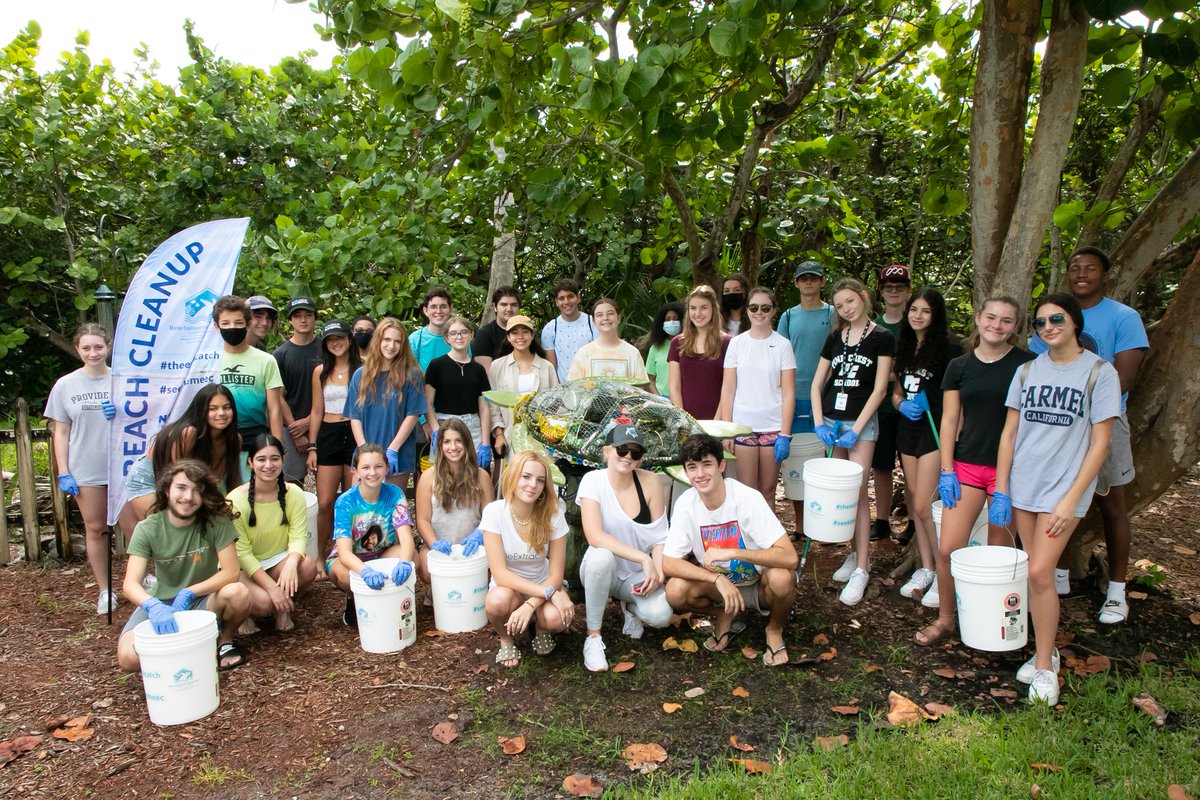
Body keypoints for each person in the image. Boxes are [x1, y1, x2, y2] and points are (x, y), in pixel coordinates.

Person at [994, 293, 1120, 706]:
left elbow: (1100, 443)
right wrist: (1002, 486)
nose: (1049, 327)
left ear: (1075, 322)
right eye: (1042, 322)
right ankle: (1044, 651)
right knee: (1036, 573)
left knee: (1039, 573)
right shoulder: (1028, 371)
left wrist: (1071, 499)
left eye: (1057, 319)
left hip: (1063, 488)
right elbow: (1010, 433)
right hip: (1023, 485)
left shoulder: (1099, 373)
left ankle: (1047, 667)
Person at [1029, 246, 1148, 625]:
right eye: (1075, 268)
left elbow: (1124, 376)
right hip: (1053, 424)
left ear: (1105, 274)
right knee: (1052, 496)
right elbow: (1040, 370)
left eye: (1091, 268)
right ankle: (1058, 574)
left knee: (1111, 503)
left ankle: (1116, 590)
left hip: (1103, 425)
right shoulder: (1049, 318)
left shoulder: (1122, 316)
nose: (1082, 274)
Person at [920, 295, 1034, 645]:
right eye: (991, 317)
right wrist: (946, 469)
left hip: (1009, 472)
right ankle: (946, 618)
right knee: (948, 549)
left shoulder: (1028, 364)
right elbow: (950, 419)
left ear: (1016, 326)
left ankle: (996, 625)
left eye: (1006, 320)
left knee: (998, 555)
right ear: (978, 318)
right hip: (966, 467)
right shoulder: (960, 365)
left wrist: (1004, 485)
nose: (997, 326)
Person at [662, 434, 798, 666]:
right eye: (692, 467)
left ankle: (774, 629)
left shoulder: (747, 499)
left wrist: (734, 552)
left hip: (759, 586)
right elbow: (668, 562)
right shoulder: (686, 504)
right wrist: (716, 579)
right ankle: (724, 613)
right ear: (686, 472)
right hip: (719, 589)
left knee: (782, 578)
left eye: (707, 464)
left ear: (722, 465)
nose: (700, 474)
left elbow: (789, 557)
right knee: (675, 590)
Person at [116, 459, 251, 673]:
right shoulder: (148, 528)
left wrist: (189, 591)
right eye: (181, 488)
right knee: (128, 658)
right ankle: (184, 654)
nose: (188, 497)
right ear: (167, 490)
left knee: (238, 593)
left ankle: (223, 642)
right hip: (162, 604)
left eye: (196, 490)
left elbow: (231, 572)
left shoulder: (216, 522)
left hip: (203, 599)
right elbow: (130, 583)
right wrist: (152, 605)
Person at [811, 277, 895, 606]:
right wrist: (819, 423)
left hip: (861, 423)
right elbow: (817, 384)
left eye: (851, 301)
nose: (847, 309)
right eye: (840, 305)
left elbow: (879, 390)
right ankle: (854, 553)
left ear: (863, 297)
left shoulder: (882, 338)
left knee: (859, 492)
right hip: (831, 421)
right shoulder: (835, 338)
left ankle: (863, 566)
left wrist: (858, 428)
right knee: (838, 493)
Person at [578, 423, 671, 672]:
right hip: (600, 571)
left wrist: (658, 572)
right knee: (601, 557)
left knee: (661, 616)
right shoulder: (592, 481)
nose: (628, 456)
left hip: (635, 575)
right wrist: (643, 558)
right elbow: (594, 535)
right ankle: (593, 637)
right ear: (607, 451)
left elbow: (660, 537)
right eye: (622, 450)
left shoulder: (651, 482)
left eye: (635, 452)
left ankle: (629, 606)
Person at [46, 323, 118, 613]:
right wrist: (64, 471)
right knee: (96, 528)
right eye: (86, 347)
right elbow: (61, 432)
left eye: (98, 347)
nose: (93, 353)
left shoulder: (121, 379)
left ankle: (144, 577)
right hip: (86, 467)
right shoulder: (66, 385)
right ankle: (105, 589)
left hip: (120, 465)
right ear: (77, 349)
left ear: (108, 346)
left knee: (136, 526)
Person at [891, 288, 956, 603]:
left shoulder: (948, 350)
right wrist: (902, 404)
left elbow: (956, 399)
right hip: (908, 430)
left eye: (925, 311)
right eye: (913, 309)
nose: (918, 315)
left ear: (936, 315)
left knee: (925, 506)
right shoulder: (903, 347)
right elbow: (896, 392)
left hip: (934, 431)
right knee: (916, 500)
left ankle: (944, 572)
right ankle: (927, 568)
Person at [481, 450, 573, 668]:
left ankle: (540, 627)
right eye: (526, 476)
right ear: (513, 476)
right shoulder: (494, 512)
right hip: (509, 587)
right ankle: (506, 638)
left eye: (540, 480)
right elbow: (500, 573)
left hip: (543, 583)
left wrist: (531, 604)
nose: (533, 485)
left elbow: (556, 575)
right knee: (496, 602)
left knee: (555, 619)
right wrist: (549, 594)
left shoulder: (553, 513)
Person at [118, 383, 242, 539]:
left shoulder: (234, 440)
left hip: (185, 484)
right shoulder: (188, 433)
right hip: (152, 477)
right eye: (213, 409)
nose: (221, 413)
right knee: (166, 534)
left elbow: (226, 484)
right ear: (202, 410)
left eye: (226, 407)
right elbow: (175, 480)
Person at [228, 435, 318, 632]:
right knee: (263, 604)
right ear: (250, 462)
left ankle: (282, 609)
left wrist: (291, 563)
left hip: (275, 560)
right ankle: (243, 614)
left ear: (282, 460)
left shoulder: (293, 493)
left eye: (274, 458)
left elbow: (298, 536)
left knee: (308, 566)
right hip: (241, 568)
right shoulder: (236, 500)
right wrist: (272, 588)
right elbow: (241, 554)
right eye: (261, 459)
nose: (268, 465)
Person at [717, 287, 796, 505]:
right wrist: (727, 431)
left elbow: (789, 393)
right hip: (744, 427)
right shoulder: (736, 343)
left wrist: (785, 434)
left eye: (765, 307)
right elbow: (728, 389)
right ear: (747, 310)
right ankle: (748, 538)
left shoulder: (783, 345)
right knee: (747, 491)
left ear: (773, 311)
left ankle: (769, 540)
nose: (759, 312)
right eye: (753, 307)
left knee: (768, 490)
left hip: (773, 426)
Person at [328, 444, 417, 627]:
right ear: (355, 471)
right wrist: (365, 571)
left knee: (411, 556)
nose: (372, 473)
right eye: (365, 468)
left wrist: (404, 562)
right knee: (347, 575)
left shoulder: (394, 494)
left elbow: (406, 537)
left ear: (386, 468)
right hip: (351, 558)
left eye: (378, 466)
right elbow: (344, 553)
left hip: (381, 552)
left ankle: (393, 600)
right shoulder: (345, 502)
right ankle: (355, 599)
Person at [776, 261, 834, 534]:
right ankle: (800, 525)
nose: (808, 283)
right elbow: (779, 355)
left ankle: (824, 523)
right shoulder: (788, 316)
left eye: (814, 278)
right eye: (803, 279)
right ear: (796, 283)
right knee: (796, 464)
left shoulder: (834, 314)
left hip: (826, 397)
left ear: (823, 282)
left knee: (824, 462)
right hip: (795, 398)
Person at [345, 317, 427, 491]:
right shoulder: (361, 374)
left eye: (397, 341)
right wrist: (363, 450)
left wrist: (393, 449)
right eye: (387, 339)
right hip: (365, 454)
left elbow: (412, 415)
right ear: (378, 340)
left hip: (396, 454)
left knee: (391, 512)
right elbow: (355, 416)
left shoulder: (412, 374)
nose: (392, 346)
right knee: (361, 512)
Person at [306, 320, 362, 576]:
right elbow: (316, 410)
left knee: (352, 499)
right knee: (326, 501)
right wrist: (312, 446)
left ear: (349, 339)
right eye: (330, 340)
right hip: (328, 433)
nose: (335, 343)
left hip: (353, 433)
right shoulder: (320, 371)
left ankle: (348, 553)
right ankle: (319, 554)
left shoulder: (361, 368)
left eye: (339, 338)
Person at [414, 417, 493, 585]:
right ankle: (437, 589)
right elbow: (422, 520)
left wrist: (479, 535)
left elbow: (491, 518)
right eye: (447, 442)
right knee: (428, 569)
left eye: (458, 441)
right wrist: (434, 543)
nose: (453, 447)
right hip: (440, 546)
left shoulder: (481, 476)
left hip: (472, 547)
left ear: (467, 444)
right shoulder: (428, 477)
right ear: (440, 446)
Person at [215, 295, 285, 471]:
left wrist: (277, 450)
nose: (232, 328)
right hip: (217, 437)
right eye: (226, 323)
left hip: (255, 437)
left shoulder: (266, 360)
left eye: (238, 323)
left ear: (247, 324)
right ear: (216, 326)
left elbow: (274, 409)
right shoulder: (208, 360)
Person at [871, 264, 912, 542]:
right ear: (881, 291)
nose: (894, 291)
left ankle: (913, 522)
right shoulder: (875, 326)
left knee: (911, 467)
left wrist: (891, 371)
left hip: (912, 407)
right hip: (880, 407)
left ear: (908, 290)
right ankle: (882, 520)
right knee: (882, 466)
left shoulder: (916, 321)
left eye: (899, 286)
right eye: (889, 287)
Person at [488, 315, 558, 465]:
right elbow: (493, 405)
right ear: (508, 337)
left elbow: (556, 407)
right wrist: (499, 434)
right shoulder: (497, 366)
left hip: (541, 439)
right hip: (511, 437)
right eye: (514, 333)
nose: (520, 337)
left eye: (525, 332)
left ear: (532, 335)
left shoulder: (547, 367)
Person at [424, 316, 493, 464]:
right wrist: (436, 430)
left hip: (472, 428)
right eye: (453, 333)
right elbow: (427, 403)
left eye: (464, 332)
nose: (459, 337)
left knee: (472, 478)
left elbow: (484, 408)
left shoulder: (478, 369)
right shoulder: (436, 365)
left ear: (471, 335)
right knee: (443, 477)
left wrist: (486, 443)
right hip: (445, 426)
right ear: (447, 338)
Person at [273, 296, 322, 483]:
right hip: (291, 429)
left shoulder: (326, 349)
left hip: (324, 426)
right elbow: (278, 396)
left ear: (314, 318)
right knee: (291, 484)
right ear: (290, 320)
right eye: (298, 315)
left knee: (329, 489)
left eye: (308, 315)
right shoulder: (280, 355)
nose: (303, 320)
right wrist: (297, 431)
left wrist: (310, 422)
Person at [668, 285, 731, 421]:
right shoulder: (677, 343)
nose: (698, 313)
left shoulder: (728, 342)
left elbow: (728, 388)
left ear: (713, 309)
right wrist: (685, 420)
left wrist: (718, 422)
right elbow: (674, 386)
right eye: (693, 308)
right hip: (686, 421)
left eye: (704, 307)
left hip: (719, 421)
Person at [567, 298, 650, 385]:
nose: (605, 318)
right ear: (593, 321)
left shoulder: (632, 353)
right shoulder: (583, 353)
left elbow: (639, 389)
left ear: (619, 318)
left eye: (610, 313)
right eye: (599, 315)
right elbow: (574, 389)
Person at [541, 278, 596, 383]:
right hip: (564, 391)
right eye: (561, 298)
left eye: (570, 296)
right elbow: (551, 368)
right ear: (556, 302)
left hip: (592, 389)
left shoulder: (593, 323)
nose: (566, 302)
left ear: (578, 297)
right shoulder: (550, 328)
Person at [473, 286, 521, 374]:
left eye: (514, 305)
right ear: (495, 306)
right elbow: (487, 375)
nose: (509, 309)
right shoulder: (484, 335)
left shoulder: (526, 334)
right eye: (504, 304)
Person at [642, 302, 684, 397]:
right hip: (663, 400)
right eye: (667, 319)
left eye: (676, 319)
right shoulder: (656, 348)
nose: (672, 322)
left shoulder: (691, 345)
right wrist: (659, 398)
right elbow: (650, 379)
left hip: (686, 398)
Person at [410, 286, 453, 372]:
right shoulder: (415, 340)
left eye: (443, 306)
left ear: (450, 309)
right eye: (433, 307)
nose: (438, 311)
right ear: (425, 311)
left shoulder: (459, 337)